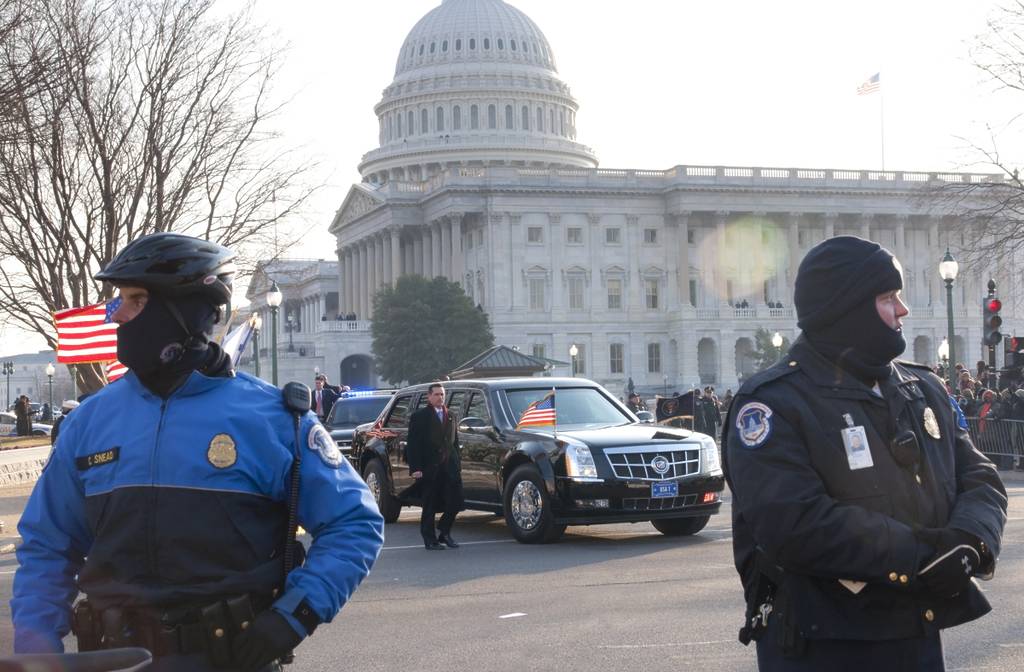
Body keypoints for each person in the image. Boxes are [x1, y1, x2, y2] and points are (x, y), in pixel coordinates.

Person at [12, 232, 385, 671]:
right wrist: (36, 652)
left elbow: (354, 523)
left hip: (230, 657)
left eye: (134, 301)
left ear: (184, 311)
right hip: (113, 659)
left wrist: (294, 616)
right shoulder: (88, 422)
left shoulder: (275, 419)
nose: (117, 317)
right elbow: (47, 546)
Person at [724, 236, 1007, 671]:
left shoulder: (923, 387)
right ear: (847, 307)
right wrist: (925, 556)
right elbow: (795, 523)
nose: (903, 310)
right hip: (823, 644)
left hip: (915, 634)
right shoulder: (773, 404)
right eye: (888, 297)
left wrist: (970, 541)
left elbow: (979, 477)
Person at [406, 383, 463, 550]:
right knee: (430, 505)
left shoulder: (451, 415)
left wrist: (457, 462)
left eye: (442, 394)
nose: (440, 397)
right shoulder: (420, 416)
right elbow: (413, 444)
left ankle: (444, 532)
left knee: (457, 501)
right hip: (429, 467)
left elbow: (455, 441)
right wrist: (415, 468)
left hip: (449, 467)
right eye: (437, 394)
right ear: (429, 397)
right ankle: (430, 539)